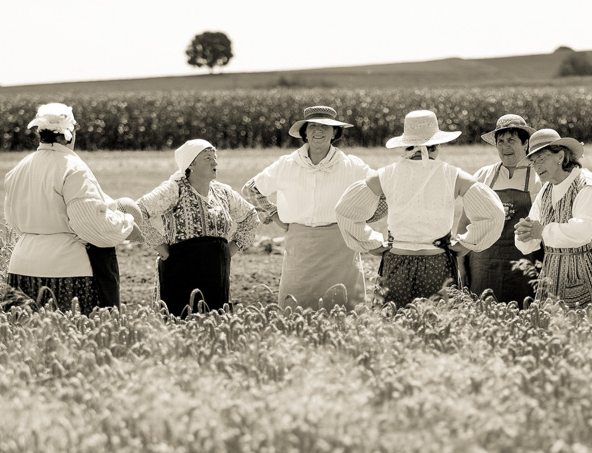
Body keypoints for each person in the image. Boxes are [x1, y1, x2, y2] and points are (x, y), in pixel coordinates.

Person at [335, 110, 505, 309]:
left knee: (395, 326)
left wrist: (370, 244)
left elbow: (344, 210)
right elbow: (494, 213)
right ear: (437, 145)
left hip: (396, 261)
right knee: (438, 327)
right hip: (437, 262)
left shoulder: (386, 175)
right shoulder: (453, 175)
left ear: (406, 143)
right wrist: (467, 244)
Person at [242, 106, 385, 310]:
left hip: (341, 247)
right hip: (300, 247)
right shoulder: (286, 164)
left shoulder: (351, 165)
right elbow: (250, 189)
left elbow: (384, 191)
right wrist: (273, 214)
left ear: (335, 132)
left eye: (325, 127)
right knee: (296, 310)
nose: (319, 131)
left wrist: (357, 220)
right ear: (305, 132)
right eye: (313, 126)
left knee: (343, 311)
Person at [4, 102, 141, 314]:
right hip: (67, 271)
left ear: (40, 132)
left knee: (30, 340)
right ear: (70, 133)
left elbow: (13, 221)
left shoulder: (19, 169)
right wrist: (127, 223)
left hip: (21, 267)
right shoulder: (74, 168)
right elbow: (90, 225)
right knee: (75, 337)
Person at [136, 140, 259, 316]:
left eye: (215, 158)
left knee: (214, 323)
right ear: (191, 164)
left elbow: (251, 217)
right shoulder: (174, 189)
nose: (215, 163)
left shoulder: (223, 192)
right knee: (182, 321)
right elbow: (137, 211)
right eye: (208, 158)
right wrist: (159, 245)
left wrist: (233, 247)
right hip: (180, 270)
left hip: (217, 273)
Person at [515, 129, 592, 308]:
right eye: (533, 161)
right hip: (553, 275)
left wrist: (541, 231)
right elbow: (530, 236)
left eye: (541, 158)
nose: (537, 166)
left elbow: (583, 231)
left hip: (590, 272)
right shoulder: (546, 190)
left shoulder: (585, 184)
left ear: (560, 156)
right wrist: (524, 233)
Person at [457, 114, 543, 306]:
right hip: (482, 266)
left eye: (511, 140)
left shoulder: (539, 178)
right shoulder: (482, 176)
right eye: (501, 141)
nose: (505, 146)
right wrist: (460, 263)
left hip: (524, 267)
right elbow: (465, 222)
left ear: (525, 143)